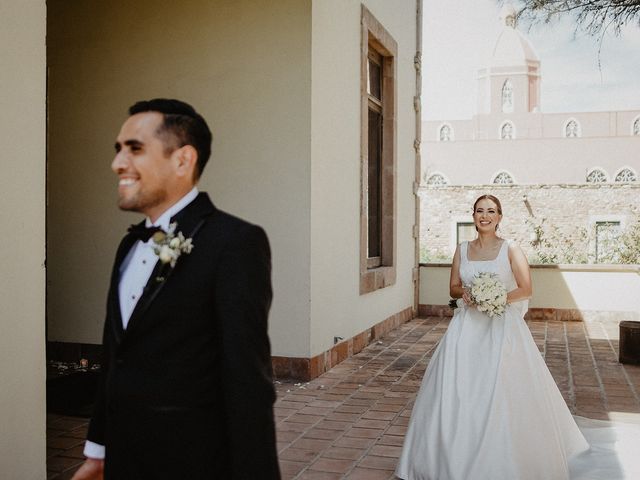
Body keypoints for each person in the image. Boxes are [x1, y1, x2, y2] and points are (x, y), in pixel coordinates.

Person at [71, 99, 281, 479]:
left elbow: (247, 382)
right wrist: (98, 451)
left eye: (134, 149)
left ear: (183, 160)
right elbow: (116, 355)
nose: (118, 163)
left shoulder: (234, 243)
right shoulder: (129, 245)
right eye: (118, 150)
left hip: (192, 464)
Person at [395, 194, 591, 479]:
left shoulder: (511, 248)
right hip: (466, 329)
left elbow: (526, 289)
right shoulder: (462, 249)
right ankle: (450, 459)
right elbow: (453, 286)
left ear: (499, 217)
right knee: (457, 389)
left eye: (491, 211)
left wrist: (496, 297)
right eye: (479, 211)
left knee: (498, 389)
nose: (484, 216)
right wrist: (466, 293)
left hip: (501, 328)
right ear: (473, 216)